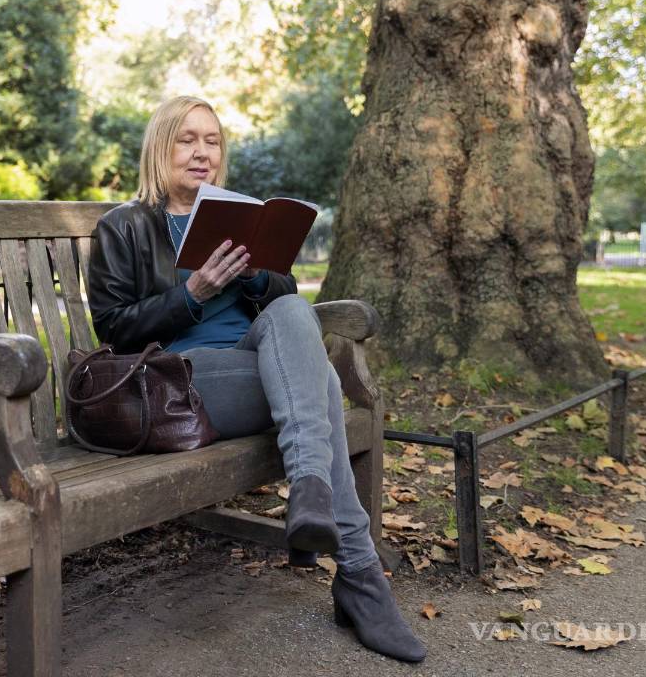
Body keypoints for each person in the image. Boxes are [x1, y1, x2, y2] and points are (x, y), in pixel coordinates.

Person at [86, 95, 427, 663]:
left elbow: (285, 298)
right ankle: (359, 573)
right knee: (315, 378)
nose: (202, 153)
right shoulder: (123, 227)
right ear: (160, 147)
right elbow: (114, 329)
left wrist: (250, 279)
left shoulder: (239, 217)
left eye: (212, 141)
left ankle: (317, 502)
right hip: (179, 383)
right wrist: (191, 294)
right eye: (186, 140)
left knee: (295, 315)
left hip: (258, 368)